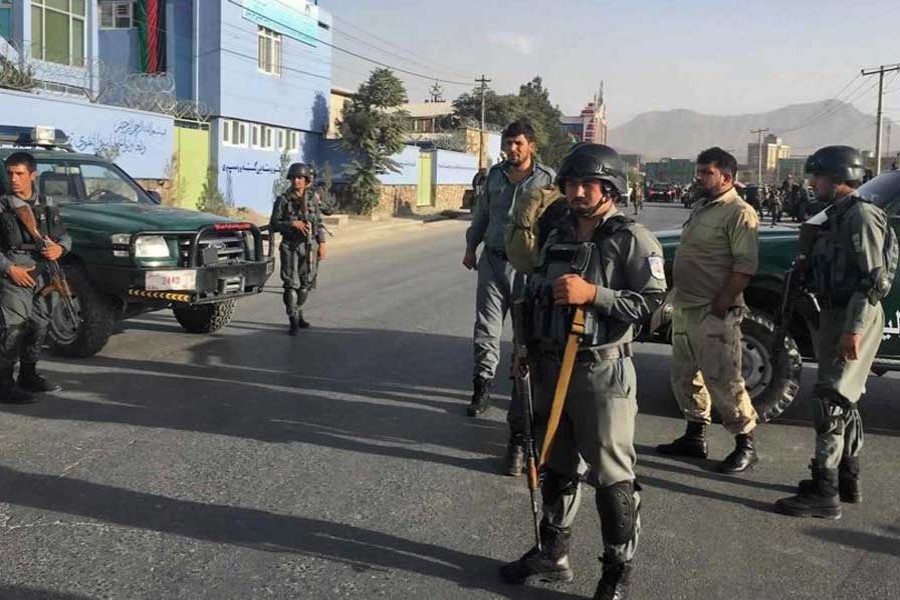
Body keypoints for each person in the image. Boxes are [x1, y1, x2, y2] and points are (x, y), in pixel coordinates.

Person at [499, 143, 666, 599]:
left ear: (609, 187)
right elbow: (539, 293)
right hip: (551, 366)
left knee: (613, 480)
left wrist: (594, 295)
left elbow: (653, 307)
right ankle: (553, 554)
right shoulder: (558, 234)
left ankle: (617, 571)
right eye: (570, 184)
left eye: (586, 184)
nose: (575, 192)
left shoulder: (632, 239)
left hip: (601, 374)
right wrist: (526, 349)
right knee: (556, 467)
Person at [774, 146, 896, 519]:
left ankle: (826, 493)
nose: (812, 183)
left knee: (831, 400)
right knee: (846, 399)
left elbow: (874, 280)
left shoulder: (860, 216)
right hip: (834, 312)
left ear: (839, 176)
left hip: (852, 315)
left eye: (818, 176)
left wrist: (853, 330)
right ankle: (846, 478)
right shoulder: (837, 216)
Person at [657, 147, 761, 474]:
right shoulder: (703, 207)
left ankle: (746, 443)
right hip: (687, 306)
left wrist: (722, 303)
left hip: (714, 311)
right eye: (699, 171)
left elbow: (745, 265)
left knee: (724, 380)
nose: (699, 177)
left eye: (706, 172)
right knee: (684, 376)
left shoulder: (739, 213)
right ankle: (695, 436)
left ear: (726, 177)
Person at [462, 119, 555, 475]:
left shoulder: (546, 180)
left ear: (530, 145)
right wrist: (471, 247)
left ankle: (520, 396)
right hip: (493, 261)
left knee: (523, 336)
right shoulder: (495, 176)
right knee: (485, 327)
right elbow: (482, 215)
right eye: (507, 143)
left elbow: (554, 222)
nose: (511, 149)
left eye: (517, 143)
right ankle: (481, 388)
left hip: (528, 269)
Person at [0, 152, 72, 404]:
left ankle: (28, 375)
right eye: (10, 173)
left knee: (40, 323)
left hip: (44, 271)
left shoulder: (47, 203)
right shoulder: (3, 205)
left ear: (32, 175)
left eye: (19, 173)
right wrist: (9, 269)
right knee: (14, 326)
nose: (14, 179)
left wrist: (59, 249)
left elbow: (64, 236)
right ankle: (4, 383)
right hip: (15, 272)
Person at [270, 163, 327, 335]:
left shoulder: (312, 199)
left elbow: (318, 222)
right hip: (290, 246)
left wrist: (322, 243)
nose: (297, 181)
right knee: (290, 284)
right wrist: (291, 223)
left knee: (306, 283)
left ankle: (299, 310)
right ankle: (292, 317)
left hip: (309, 245)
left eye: (301, 178)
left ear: (307, 180)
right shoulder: (283, 200)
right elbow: (274, 223)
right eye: (294, 178)